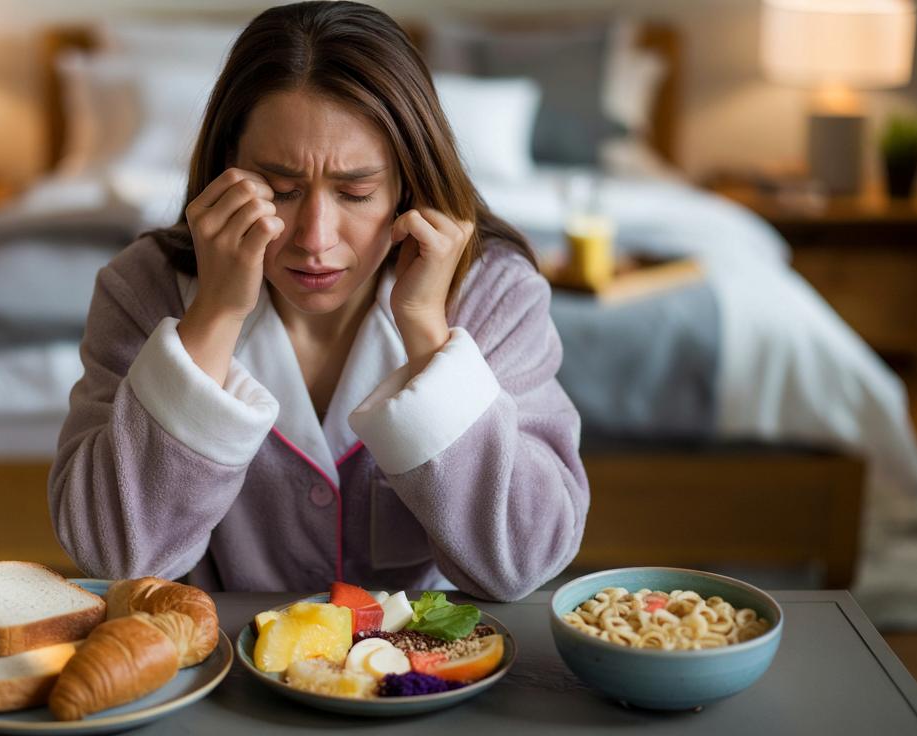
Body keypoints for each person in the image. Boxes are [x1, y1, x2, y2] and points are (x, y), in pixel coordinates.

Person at [49, 1, 588, 601]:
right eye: (280, 189)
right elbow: (113, 556)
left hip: (428, 679)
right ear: (228, 168)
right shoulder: (143, 288)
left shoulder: (495, 294)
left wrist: (427, 339)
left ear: (408, 182)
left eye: (356, 191)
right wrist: (215, 316)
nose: (315, 239)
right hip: (226, 672)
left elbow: (524, 563)